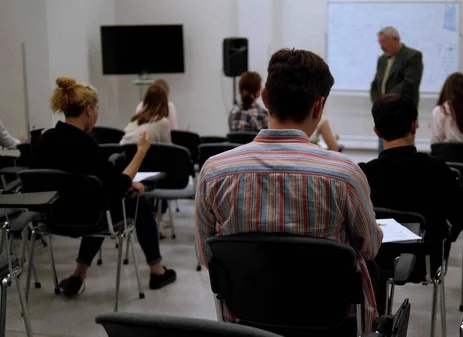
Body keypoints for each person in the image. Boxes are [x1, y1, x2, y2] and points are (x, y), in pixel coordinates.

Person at [196, 49, 383, 333]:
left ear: (265, 99)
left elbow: (206, 256)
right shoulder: (345, 175)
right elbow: (369, 248)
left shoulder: (214, 172)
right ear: (319, 108)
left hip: (247, 323)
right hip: (328, 321)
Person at [32, 76, 176, 297]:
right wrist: (141, 152)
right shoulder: (86, 145)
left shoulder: (44, 140)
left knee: (94, 200)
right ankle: (157, 271)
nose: (97, 114)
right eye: (97, 108)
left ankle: (78, 276)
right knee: (134, 201)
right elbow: (117, 186)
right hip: (87, 218)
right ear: (89, 110)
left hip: (50, 219)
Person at [359, 94, 463, 306]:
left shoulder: (366, 174)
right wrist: (447, 236)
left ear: (377, 131)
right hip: (424, 262)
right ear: (414, 126)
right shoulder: (437, 170)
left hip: (376, 260)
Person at [370, 26, 423, 153]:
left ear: (396, 39)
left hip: (402, 113)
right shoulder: (382, 59)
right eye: (380, 43)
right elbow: (375, 85)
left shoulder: (412, 56)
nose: (382, 46)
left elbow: (409, 84)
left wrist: (387, 102)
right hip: (383, 114)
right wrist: (378, 104)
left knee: (404, 153)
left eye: (384, 42)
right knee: (383, 152)